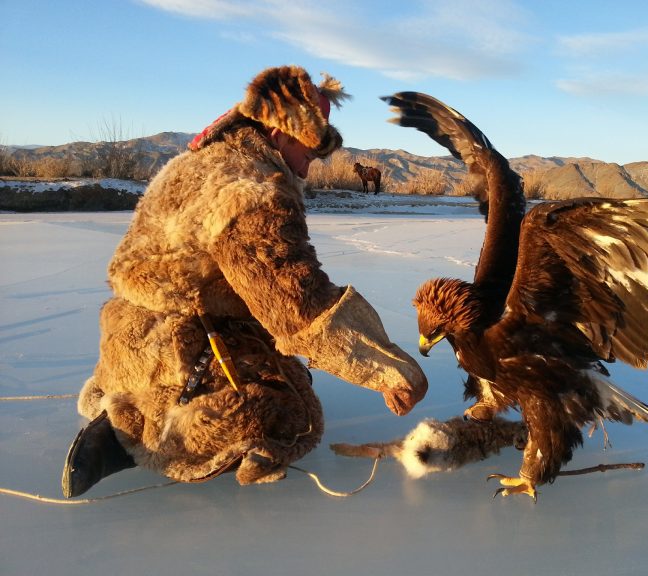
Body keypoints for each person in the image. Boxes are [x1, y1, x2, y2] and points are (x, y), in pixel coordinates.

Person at [62, 65, 428, 497]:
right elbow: (296, 302)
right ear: (280, 136)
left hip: (127, 337)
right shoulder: (254, 189)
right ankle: (137, 435)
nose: (307, 172)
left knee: (279, 359)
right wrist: (389, 370)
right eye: (307, 156)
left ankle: (122, 391)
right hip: (178, 345)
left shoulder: (201, 162)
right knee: (291, 411)